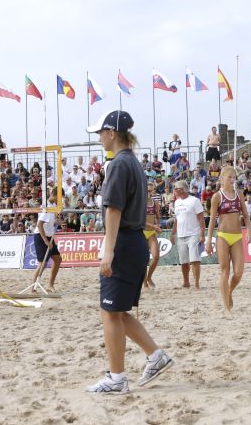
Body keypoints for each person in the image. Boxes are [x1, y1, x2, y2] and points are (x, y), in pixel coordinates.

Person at [86, 110, 173, 394]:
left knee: (110, 313)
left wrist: (108, 252)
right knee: (117, 311)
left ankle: (117, 378)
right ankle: (155, 356)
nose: (99, 138)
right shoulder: (133, 162)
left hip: (123, 243)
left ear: (111, 133)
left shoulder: (118, 164)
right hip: (134, 241)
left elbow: (114, 210)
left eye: (101, 133)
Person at [206, 166, 251, 318]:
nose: (232, 179)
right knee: (225, 271)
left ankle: (229, 291)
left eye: (234, 177)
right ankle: (226, 308)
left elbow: (246, 215)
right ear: (222, 178)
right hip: (223, 236)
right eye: (229, 177)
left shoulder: (239, 194)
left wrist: (249, 231)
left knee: (238, 273)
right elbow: (212, 220)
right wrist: (208, 240)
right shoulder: (217, 197)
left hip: (237, 236)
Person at [170, 180, 205, 289]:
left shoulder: (194, 200)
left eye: (176, 188)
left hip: (193, 234)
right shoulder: (177, 202)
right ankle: (186, 282)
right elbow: (176, 220)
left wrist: (202, 234)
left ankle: (196, 283)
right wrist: (172, 234)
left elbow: (201, 219)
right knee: (184, 262)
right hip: (181, 235)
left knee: (195, 260)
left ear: (183, 189)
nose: (174, 190)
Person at [30, 196, 63, 292]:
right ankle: (32, 289)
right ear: (53, 195)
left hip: (49, 235)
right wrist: (46, 241)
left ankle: (50, 285)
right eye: (58, 197)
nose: (59, 200)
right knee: (42, 264)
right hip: (41, 236)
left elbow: (52, 221)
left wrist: (57, 221)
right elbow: (39, 224)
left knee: (57, 259)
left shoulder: (54, 205)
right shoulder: (47, 206)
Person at [143, 183, 161, 289]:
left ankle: (149, 277)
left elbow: (158, 216)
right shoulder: (139, 203)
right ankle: (145, 283)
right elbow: (140, 220)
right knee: (143, 260)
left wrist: (158, 225)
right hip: (141, 232)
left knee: (156, 256)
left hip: (151, 233)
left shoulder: (155, 203)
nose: (148, 193)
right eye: (147, 191)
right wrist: (154, 226)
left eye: (150, 191)